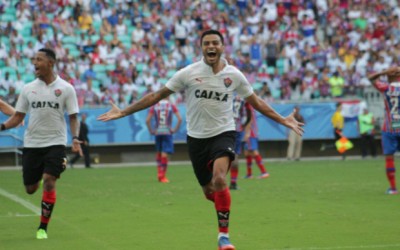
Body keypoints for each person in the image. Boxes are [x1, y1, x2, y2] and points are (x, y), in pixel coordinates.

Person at [97, 30, 303, 250]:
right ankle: (223, 206)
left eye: (215, 42)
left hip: (224, 133)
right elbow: (156, 95)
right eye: (207, 43)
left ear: (223, 47)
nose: (211, 46)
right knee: (209, 191)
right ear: (202, 47)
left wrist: (283, 120)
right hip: (196, 139)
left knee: (220, 179)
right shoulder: (188, 73)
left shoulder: (234, 75)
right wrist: (124, 112)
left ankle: (224, 236)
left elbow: (257, 102)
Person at [0, 48, 82, 239]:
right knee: (30, 188)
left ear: (51, 63)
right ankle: (41, 174)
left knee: (49, 180)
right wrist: (2, 127)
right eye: (34, 59)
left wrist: (75, 138)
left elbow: (73, 117)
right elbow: (18, 117)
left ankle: (42, 228)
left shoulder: (66, 89)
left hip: (56, 143)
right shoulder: (28, 88)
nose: (35, 63)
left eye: (39, 59)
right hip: (32, 144)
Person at [368, 67, 400, 195]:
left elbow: (371, 79)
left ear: (388, 76)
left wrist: (382, 72)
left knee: (389, 158)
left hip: (389, 128)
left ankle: (393, 188)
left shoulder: (386, 87)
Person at [145, 97, 182, 183]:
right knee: (164, 153)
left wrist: (151, 130)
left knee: (159, 152)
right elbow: (180, 119)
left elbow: (147, 120)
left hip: (158, 132)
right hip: (167, 132)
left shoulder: (154, 106)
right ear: (168, 96)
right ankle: (162, 176)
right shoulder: (171, 106)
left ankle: (159, 173)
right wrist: (174, 129)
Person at [229, 95, 252, 190]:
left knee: (220, 155)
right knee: (235, 156)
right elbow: (247, 116)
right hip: (237, 130)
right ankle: (233, 183)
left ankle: (216, 181)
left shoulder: (227, 95)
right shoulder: (244, 99)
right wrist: (243, 126)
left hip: (225, 129)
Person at [242, 103, 270, 179]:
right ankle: (249, 174)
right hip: (252, 132)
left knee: (253, 152)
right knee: (247, 152)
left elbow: (249, 120)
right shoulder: (248, 106)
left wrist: (247, 133)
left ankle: (264, 172)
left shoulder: (248, 106)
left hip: (251, 133)